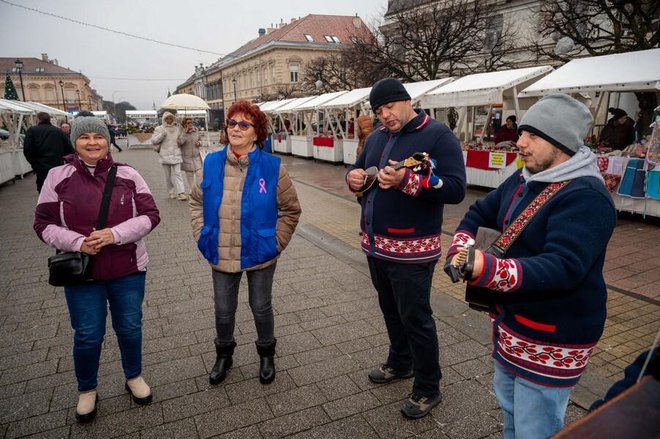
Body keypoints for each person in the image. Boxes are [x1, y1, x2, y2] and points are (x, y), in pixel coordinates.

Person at [445, 94, 616, 438]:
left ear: (561, 143)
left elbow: (564, 266)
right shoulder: (527, 176)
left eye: (533, 136)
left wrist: (490, 270)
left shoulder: (586, 196)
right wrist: (460, 248)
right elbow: (480, 212)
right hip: (513, 330)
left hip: (552, 342)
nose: (519, 142)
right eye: (522, 132)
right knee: (513, 417)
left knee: (534, 429)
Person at [346, 78, 466, 419]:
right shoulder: (376, 138)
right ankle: (400, 363)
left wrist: (408, 181)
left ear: (406, 100)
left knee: (416, 318)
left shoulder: (438, 135)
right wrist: (353, 178)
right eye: (378, 110)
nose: (384, 115)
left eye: (389, 107)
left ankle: (428, 387)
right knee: (390, 310)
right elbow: (360, 171)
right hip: (375, 246)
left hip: (413, 249)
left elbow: (457, 188)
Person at [33, 117, 161, 423]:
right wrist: (77, 242)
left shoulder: (128, 174)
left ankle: (133, 376)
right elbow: (43, 223)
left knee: (130, 327)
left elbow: (150, 215)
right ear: (74, 142)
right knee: (88, 334)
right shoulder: (57, 176)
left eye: (99, 137)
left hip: (128, 268)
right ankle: (87, 389)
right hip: (82, 272)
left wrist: (114, 234)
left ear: (108, 140)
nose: (93, 142)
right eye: (85, 137)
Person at [190, 100, 301, 387]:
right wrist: (202, 234)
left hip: (261, 250)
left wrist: (277, 242)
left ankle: (266, 355)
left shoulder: (273, 168)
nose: (236, 129)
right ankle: (224, 355)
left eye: (244, 124)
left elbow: (291, 209)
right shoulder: (211, 163)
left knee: (261, 306)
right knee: (223, 310)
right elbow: (195, 201)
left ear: (257, 132)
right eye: (231, 123)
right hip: (220, 249)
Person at [23, 112, 74, 192]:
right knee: (58, 188)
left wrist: (34, 164)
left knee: (43, 189)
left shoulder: (32, 130)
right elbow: (69, 149)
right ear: (49, 119)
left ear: (38, 119)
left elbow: (27, 149)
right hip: (57, 164)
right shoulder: (58, 131)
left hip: (40, 166)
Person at [151, 112, 186, 200]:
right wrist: (162, 135)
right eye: (167, 118)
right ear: (164, 119)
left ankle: (181, 193)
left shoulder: (177, 128)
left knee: (178, 174)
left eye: (171, 118)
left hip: (176, 154)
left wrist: (181, 138)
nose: (169, 120)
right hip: (165, 155)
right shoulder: (159, 129)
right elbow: (153, 141)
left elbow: (182, 139)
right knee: (168, 176)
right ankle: (171, 192)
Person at [177, 117, 203, 194]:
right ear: (184, 124)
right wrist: (185, 133)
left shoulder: (196, 130)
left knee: (199, 175)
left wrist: (199, 143)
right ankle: (193, 192)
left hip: (196, 156)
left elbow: (201, 140)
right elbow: (180, 142)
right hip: (186, 157)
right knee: (190, 177)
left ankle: (198, 190)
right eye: (188, 123)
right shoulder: (181, 132)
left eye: (191, 122)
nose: (190, 124)